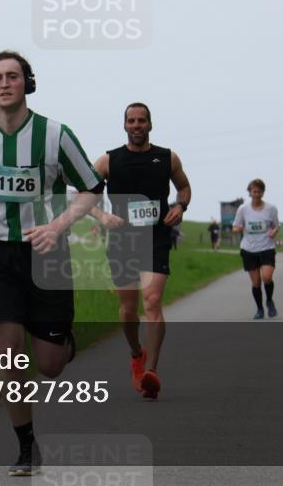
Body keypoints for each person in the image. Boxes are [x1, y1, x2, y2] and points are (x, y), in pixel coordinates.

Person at [0, 50, 103, 476]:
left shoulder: (54, 135)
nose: (5, 83)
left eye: (13, 76)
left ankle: (61, 340)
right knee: (9, 356)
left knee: (48, 366)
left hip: (47, 251)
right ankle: (26, 446)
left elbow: (90, 188)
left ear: (27, 83)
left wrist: (60, 224)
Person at [90, 103, 191, 400]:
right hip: (122, 240)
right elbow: (85, 198)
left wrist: (180, 206)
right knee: (128, 310)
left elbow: (184, 188)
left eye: (142, 121)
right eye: (131, 121)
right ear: (124, 125)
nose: (136, 125)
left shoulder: (167, 157)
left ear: (150, 124)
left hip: (156, 236)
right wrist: (103, 216)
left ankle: (152, 371)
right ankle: (136, 353)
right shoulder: (108, 161)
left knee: (153, 299)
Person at [232, 179, 281, 319]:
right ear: (249, 192)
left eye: (259, 191)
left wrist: (274, 232)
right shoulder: (243, 209)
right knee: (256, 283)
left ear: (263, 192)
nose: (257, 194)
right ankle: (260, 310)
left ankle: (269, 301)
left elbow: (277, 225)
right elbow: (235, 227)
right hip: (248, 249)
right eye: (254, 191)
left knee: (266, 277)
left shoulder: (271, 209)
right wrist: (239, 228)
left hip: (267, 247)